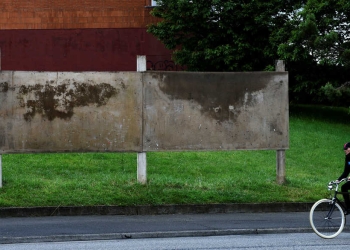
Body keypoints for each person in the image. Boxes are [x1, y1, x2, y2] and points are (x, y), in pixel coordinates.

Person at [336, 142, 350, 214]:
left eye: (346, 148)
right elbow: (346, 172)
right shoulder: (347, 158)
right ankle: (348, 208)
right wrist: (338, 180)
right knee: (344, 187)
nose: (345, 150)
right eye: (344, 149)